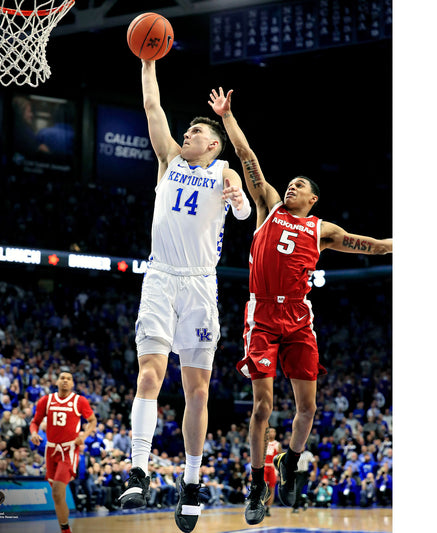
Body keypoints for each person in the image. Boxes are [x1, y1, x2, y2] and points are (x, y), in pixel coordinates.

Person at [208, 87, 392, 524]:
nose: (292, 186)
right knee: (261, 407)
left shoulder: (322, 231)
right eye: (291, 182)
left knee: (307, 407)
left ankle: (291, 461)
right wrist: (228, 116)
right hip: (263, 316)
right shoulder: (269, 207)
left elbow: (379, 246)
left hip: (298, 316)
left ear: (313, 200)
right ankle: (257, 484)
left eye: (301, 186)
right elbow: (248, 156)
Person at [118, 59, 251, 533]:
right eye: (189, 130)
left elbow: (242, 210)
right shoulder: (169, 161)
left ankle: (191, 485)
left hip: (199, 283)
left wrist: (237, 196)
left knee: (197, 389)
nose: (188, 134)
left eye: (196, 131)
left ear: (213, 145)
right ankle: (138, 470)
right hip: (160, 278)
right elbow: (152, 104)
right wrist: (148, 61)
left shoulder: (224, 172)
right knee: (149, 376)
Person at [30, 371, 97, 533]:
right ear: (57, 381)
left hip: (69, 450)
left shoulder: (79, 401)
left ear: (73, 384)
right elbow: (35, 422)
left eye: (69, 378)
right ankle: (65, 528)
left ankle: (65, 531)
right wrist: (33, 432)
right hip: (50, 449)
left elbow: (93, 421)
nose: (65, 381)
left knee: (57, 492)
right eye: (62, 378)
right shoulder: (46, 400)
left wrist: (84, 435)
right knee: (57, 496)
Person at [262, 427, 281, 518]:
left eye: (273, 431)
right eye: (270, 431)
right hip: (264, 466)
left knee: (272, 488)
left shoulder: (277, 444)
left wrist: (279, 471)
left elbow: (280, 458)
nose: (271, 433)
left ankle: (268, 508)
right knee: (263, 488)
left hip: (272, 467)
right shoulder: (263, 443)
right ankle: (261, 507)